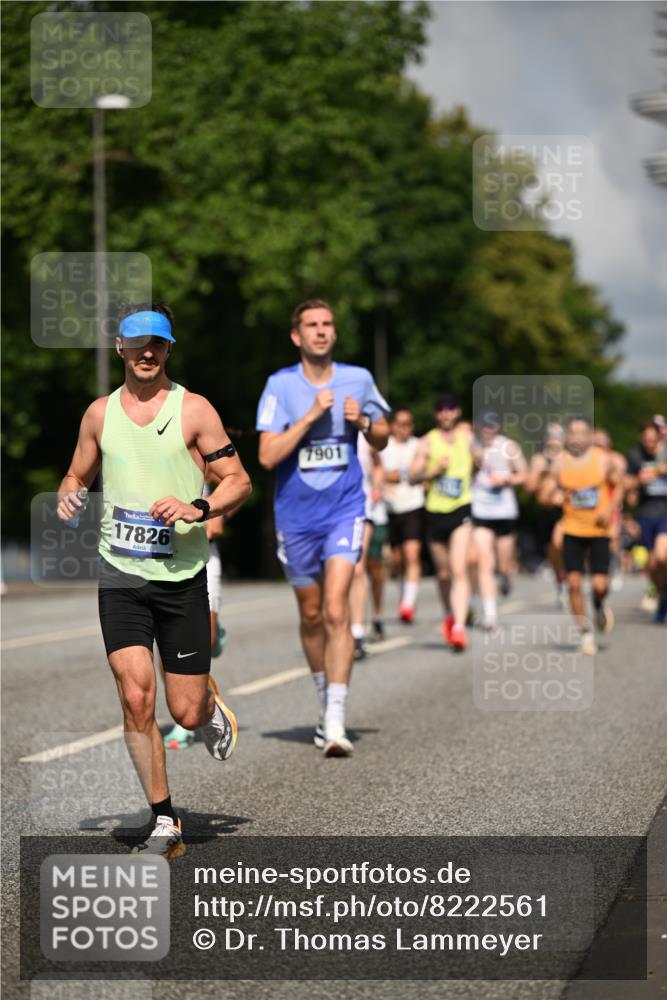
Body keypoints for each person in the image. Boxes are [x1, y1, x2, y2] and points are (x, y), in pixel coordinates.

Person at [57, 303, 251, 859]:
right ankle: (164, 822)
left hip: (181, 576)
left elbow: (238, 480)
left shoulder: (194, 411)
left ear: (169, 349)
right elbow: (78, 469)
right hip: (120, 575)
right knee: (136, 696)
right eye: (137, 342)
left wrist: (200, 505)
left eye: (158, 344)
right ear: (119, 346)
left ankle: (207, 708)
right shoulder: (99, 414)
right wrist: (71, 488)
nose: (148, 352)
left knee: (183, 711)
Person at [256, 299, 390, 756]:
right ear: (297, 336)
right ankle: (323, 702)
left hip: (345, 510)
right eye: (311, 325)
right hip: (295, 518)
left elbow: (384, 435)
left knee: (336, 609)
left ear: (335, 333)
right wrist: (312, 416)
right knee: (311, 614)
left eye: (327, 324)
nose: (320, 331)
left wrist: (365, 422)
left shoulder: (358, 379)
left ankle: (335, 721)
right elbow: (268, 455)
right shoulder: (280, 386)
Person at [547, 416, 622, 654]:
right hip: (572, 529)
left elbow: (620, 485)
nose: (577, 437)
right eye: (573, 433)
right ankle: (585, 632)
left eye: (582, 432)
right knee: (574, 584)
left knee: (600, 585)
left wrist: (609, 509)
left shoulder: (604, 461)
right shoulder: (560, 464)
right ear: (567, 437)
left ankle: (599, 604)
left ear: (590, 435)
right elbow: (546, 492)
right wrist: (553, 497)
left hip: (599, 530)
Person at [163, 482, 227, 749]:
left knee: (206, 641)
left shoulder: (204, 459)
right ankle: (181, 722)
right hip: (161, 558)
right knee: (168, 641)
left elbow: (216, 528)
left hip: (201, 556)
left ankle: (214, 632)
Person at [409, 394, 474, 651]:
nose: (446, 414)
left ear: (457, 412)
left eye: (451, 409)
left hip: (461, 508)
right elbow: (413, 476)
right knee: (444, 573)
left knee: (459, 568)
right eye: (441, 410)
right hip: (435, 511)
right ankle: (450, 613)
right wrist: (433, 471)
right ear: (436, 414)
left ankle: (459, 626)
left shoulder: (468, 439)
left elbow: (484, 462)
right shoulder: (427, 442)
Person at [470, 412, 527, 630]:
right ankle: (490, 615)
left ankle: (506, 576)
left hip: (504, 512)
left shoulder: (508, 446)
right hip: (481, 510)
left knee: (502, 564)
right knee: (485, 562)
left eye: (491, 425)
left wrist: (507, 480)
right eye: (483, 425)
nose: (487, 429)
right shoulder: (472, 446)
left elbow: (524, 473)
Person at [379, 408, 425, 624]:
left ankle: (408, 604)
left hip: (413, 505)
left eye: (408, 424)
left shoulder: (418, 445)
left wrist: (397, 475)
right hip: (389, 508)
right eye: (400, 423)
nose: (404, 428)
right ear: (392, 425)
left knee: (412, 554)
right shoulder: (382, 446)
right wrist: (390, 478)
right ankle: (405, 595)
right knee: (397, 560)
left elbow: (420, 472)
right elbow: (378, 473)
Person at [625, 419, 667, 623]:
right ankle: (662, 596)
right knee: (652, 564)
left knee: (662, 556)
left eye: (653, 438)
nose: (650, 442)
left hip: (665, 512)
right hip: (645, 513)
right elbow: (627, 487)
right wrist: (637, 482)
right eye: (646, 438)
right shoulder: (635, 455)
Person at [350, 433, 388, 656]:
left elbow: (378, 465)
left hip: (361, 510)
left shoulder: (364, 437)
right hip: (327, 511)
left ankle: (356, 633)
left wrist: (376, 487)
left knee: (356, 569)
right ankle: (338, 627)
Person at [525, 423, 566, 606]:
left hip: (563, 511)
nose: (554, 439)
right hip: (544, 511)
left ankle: (569, 578)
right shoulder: (538, 460)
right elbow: (529, 489)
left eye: (558, 435)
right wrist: (541, 473)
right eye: (551, 435)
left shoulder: (569, 459)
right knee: (551, 551)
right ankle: (561, 581)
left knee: (559, 544)